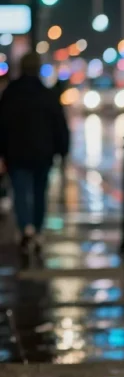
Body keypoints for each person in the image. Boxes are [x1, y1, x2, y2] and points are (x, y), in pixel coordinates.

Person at [0, 52, 70, 252]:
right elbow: (59, 126)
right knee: (40, 192)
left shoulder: (10, 94)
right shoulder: (46, 94)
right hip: (42, 153)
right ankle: (37, 230)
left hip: (16, 153)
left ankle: (26, 229)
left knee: (20, 192)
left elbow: (2, 124)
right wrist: (62, 151)